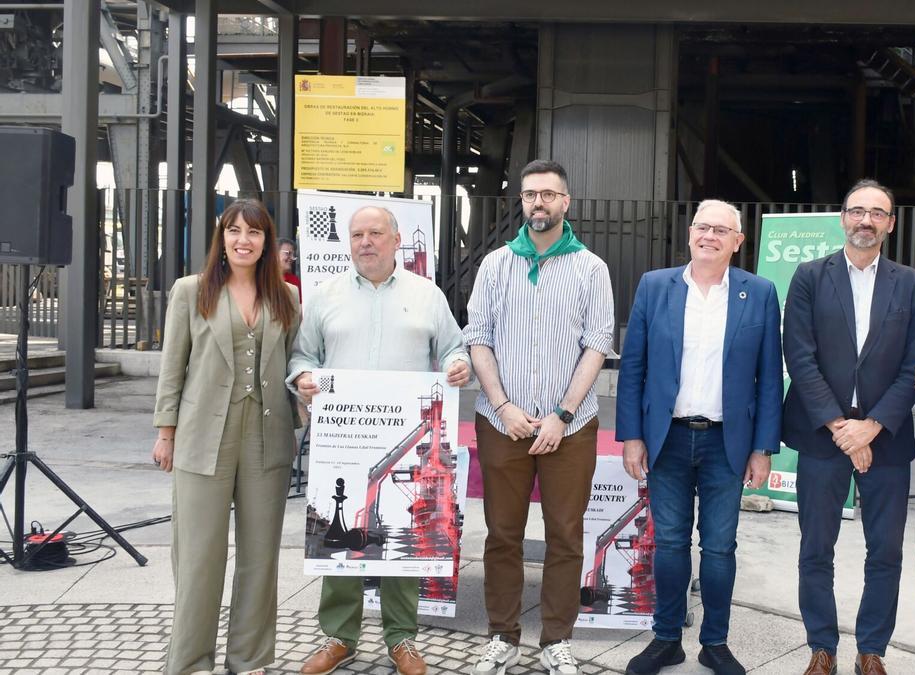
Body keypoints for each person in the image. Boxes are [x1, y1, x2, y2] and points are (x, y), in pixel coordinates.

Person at [288, 205, 471, 675]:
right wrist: (304, 377)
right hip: (343, 435)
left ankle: (401, 638)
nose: (365, 241)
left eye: (375, 233)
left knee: (399, 531)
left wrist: (458, 365)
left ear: (395, 240)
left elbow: (453, 347)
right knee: (336, 530)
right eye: (357, 235)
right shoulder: (325, 295)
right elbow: (302, 356)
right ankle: (339, 636)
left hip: (401, 431)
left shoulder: (427, 295)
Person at [615, 199, 783, 675]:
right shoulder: (655, 286)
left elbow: (770, 377)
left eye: (721, 229)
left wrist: (763, 448)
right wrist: (631, 436)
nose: (709, 235)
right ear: (690, 234)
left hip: (726, 444)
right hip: (666, 438)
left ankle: (715, 643)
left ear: (738, 241)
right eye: (702, 227)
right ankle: (666, 639)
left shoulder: (760, 292)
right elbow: (634, 368)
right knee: (668, 543)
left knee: (719, 547)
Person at [464, 159, 614, 675]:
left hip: (568, 427)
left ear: (566, 203)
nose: (539, 203)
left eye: (549, 194)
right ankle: (502, 636)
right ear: (521, 201)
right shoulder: (494, 265)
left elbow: (597, 345)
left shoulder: (591, 268)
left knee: (565, 535)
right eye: (530, 195)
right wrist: (503, 405)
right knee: (501, 534)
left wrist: (561, 415)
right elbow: (477, 337)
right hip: (502, 422)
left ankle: (556, 640)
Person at [782, 179, 915, 675]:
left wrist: (870, 427)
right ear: (843, 218)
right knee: (815, 548)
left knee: (885, 551)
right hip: (821, 435)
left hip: (885, 439)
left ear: (890, 223)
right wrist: (840, 427)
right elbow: (799, 357)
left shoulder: (910, 284)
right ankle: (821, 648)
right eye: (856, 211)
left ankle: (872, 651)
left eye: (877, 213)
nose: (865, 220)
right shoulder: (809, 276)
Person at [152, 199, 301, 675]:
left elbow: (297, 366)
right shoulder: (191, 291)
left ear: (266, 241)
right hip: (201, 436)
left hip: (268, 436)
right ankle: (192, 662)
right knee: (199, 557)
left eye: (254, 233)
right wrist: (166, 432)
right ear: (222, 238)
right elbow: (172, 367)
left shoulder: (287, 298)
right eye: (234, 231)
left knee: (260, 558)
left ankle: (250, 658)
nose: (244, 240)